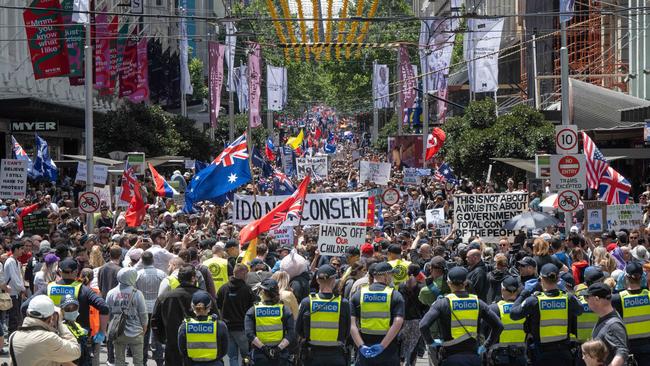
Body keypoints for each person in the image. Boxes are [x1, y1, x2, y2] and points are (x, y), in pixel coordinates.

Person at [419, 266, 503, 366]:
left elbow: (423, 325)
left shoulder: (442, 303)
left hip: (450, 357)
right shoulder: (478, 303)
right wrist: (485, 346)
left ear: (449, 283)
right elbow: (498, 325)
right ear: (465, 283)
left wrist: (431, 342)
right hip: (473, 358)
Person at [510, 264, 583, 366]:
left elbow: (514, 314)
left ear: (540, 279)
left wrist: (524, 293)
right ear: (558, 279)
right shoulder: (568, 299)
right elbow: (580, 310)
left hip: (541, 354)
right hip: (563, 354)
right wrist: (566, 292)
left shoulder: (534, 301)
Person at [350, 261, 405, 365]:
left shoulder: (358, 294)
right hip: (388, 348)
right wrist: (382, 346)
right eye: (391, 274)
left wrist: (361, 346)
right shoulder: (395, 295)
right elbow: (398, 322)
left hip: (365, 347)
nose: (392, 277)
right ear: (385, 275)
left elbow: (351, 324)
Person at [152, 264, 208, 366]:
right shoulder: (204, 296)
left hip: (173, 345)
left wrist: (164, 338)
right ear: (193, 278)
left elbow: (155, 321)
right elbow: (217, 321)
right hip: (201, 347)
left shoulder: (165, 297)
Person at [296, 264, 351, 366]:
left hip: (312, 355)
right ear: (334, 280)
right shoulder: (343, 303)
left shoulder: (307, 302)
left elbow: (298, 329)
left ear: (317, 280)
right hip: (336, 355)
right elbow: (347, 332)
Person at [9, 294, 81, 365]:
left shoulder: (13, 336)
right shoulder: (48, 338)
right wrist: (60, 323)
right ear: (50, 319)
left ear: (28, 313)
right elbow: (76, 351)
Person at [244, 278, 295, 366]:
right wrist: (278, 349)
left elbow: (249, 333)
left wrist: (264, 348)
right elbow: (291, 333)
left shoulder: (253, 310)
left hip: (260, 355)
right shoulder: (284, 310)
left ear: (263, 291)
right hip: (280, 355)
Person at [105, 267, 148, 366]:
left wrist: (108, 327)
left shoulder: (111, 293)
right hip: (136, 331)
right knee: (138, 361)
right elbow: (143, 313)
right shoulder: (137, 294)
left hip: (117, 331)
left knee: (119, 360)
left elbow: (107, 312)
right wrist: (144, 327)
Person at [217, 263, 256, 366]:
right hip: (242, 328)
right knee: (246, 356)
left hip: (227, 328)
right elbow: (252, 309)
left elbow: (218, 306)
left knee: (232, 357)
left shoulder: (223, 289)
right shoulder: (247, 289)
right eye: (246, 274)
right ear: (243, 273)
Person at [610, 261, 648, 366]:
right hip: (647, 346)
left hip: (627, 347)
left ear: (626, 277)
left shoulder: (617, 299)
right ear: (642, 277)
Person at [177, 290, 229, 366]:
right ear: (210, 307)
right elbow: (224, 350)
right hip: (214, 363)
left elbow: (182, 350)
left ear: (192, 307)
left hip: (193, 363)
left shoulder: (185, 326)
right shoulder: (220, 325)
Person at [585, 282, 628, 366]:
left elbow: (622, 351)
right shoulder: (605, 318)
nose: (586, 300)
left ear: (596, 299)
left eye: (587, 297)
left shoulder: (613, 324)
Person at [135, 251, 166, 366]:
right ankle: (159, 359)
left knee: (143, 334)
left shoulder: (138, 274)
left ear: (142, 261)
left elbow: (135, 292)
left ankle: (142, 360)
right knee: (158, 334)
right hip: (157, 308)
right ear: (152, 260)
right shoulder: (162, 274)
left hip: (142, 308)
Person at [487, 276, 526, 366]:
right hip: (520, 357)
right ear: (517, 291)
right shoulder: (524, 308)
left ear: (502, 289)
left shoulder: (494, 309)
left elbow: (484, 331)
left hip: (499, 357)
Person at [60, 294, 92, 366]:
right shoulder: (60, 328)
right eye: (68, 309)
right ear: (62, 310)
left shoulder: (76, 325)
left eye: (74, 308)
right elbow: (62, 358)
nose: (71, 311)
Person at [6, 242, 27, 335]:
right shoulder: (10, 261)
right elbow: (14, 278)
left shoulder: (16, 261)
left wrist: (21, 288)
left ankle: (14, 335)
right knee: (13, 317)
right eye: (21, 249)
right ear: (16, 250)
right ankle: (12, 336)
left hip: (16, 292)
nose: (23, 251)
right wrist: (22, 288)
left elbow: (19, 277)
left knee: (16, 316)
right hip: (11, 293)